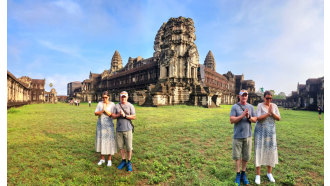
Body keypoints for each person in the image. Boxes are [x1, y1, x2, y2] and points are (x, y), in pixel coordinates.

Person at [230, 89, 257, 186]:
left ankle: (243, 173)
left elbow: (255, 119)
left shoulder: (251, 107)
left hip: (248, 135)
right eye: (243, 95)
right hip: (237, 135)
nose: (244, 97)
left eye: (246, 95)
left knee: (246, 156)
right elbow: (231, 120)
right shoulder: (235, 107)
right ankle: (238, 174)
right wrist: (242, 116)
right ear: (239, 96)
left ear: (247, 96)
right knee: (237, 156)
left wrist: (249, 117)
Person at [254, 91, 281, 184]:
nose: (269, 100)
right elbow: (258, 118)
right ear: (264, 98)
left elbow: (278, 118)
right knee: (259, 150)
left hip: (270, 132)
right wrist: (268, 113)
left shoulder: (274, 106)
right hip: (260, 132)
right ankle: (258, 175)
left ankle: (269, 173)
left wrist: (272, 113)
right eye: (267, 98)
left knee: (270, 151)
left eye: (270, 98)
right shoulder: (260, 105)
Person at [112, 91, 136, 172]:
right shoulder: (116, 106)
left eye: (124, 96)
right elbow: (113, 116)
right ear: (120, 97)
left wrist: (125, 115)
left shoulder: (130, 106)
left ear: (127, 97)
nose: (123, 98)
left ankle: (129, 162)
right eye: (122, 96)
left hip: (128, 129)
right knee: (121, 147)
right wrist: (118, 115)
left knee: (129, 147)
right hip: (119, 129)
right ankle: (123, 160)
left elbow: (134, 117)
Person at [94, 91, 117, 167]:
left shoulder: (112, 104)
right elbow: (95, 113)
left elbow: (113, 115)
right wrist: (102, 111)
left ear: (108, 97)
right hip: (100, 124)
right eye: (103, 97)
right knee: (101, 140)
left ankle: (109, 159)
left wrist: (106, 111)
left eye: (106, 97)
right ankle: (102, 158)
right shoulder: (100, 104)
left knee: (109, 140)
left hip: (109, 125)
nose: (104, 99)